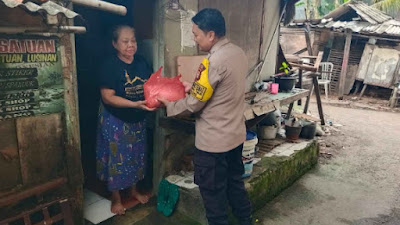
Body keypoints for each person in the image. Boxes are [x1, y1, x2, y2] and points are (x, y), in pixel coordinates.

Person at [158, 8, 253, 225]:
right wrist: (193, 86)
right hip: (235, 136)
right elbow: (220, 89)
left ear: (211, 35)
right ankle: (245, 220)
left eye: (196, 34)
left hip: (213, 144)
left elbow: (194, 105)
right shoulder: (238, 52)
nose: (195, 39)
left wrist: (169, 105)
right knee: (234, 184)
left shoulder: (212, 62)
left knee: (213, 196)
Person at [96, 25, 154, 215]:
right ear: (115, 44)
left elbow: (152, 85)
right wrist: (134, 104)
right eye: (125, 41)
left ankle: (134, 191)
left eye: (133, 41)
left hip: (137, 119)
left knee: (136, 156)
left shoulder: (142, 62)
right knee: (117, 159)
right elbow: (107, 97)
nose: (131, 45)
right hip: (116, 119)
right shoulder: (109, 65)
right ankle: (116, 198)